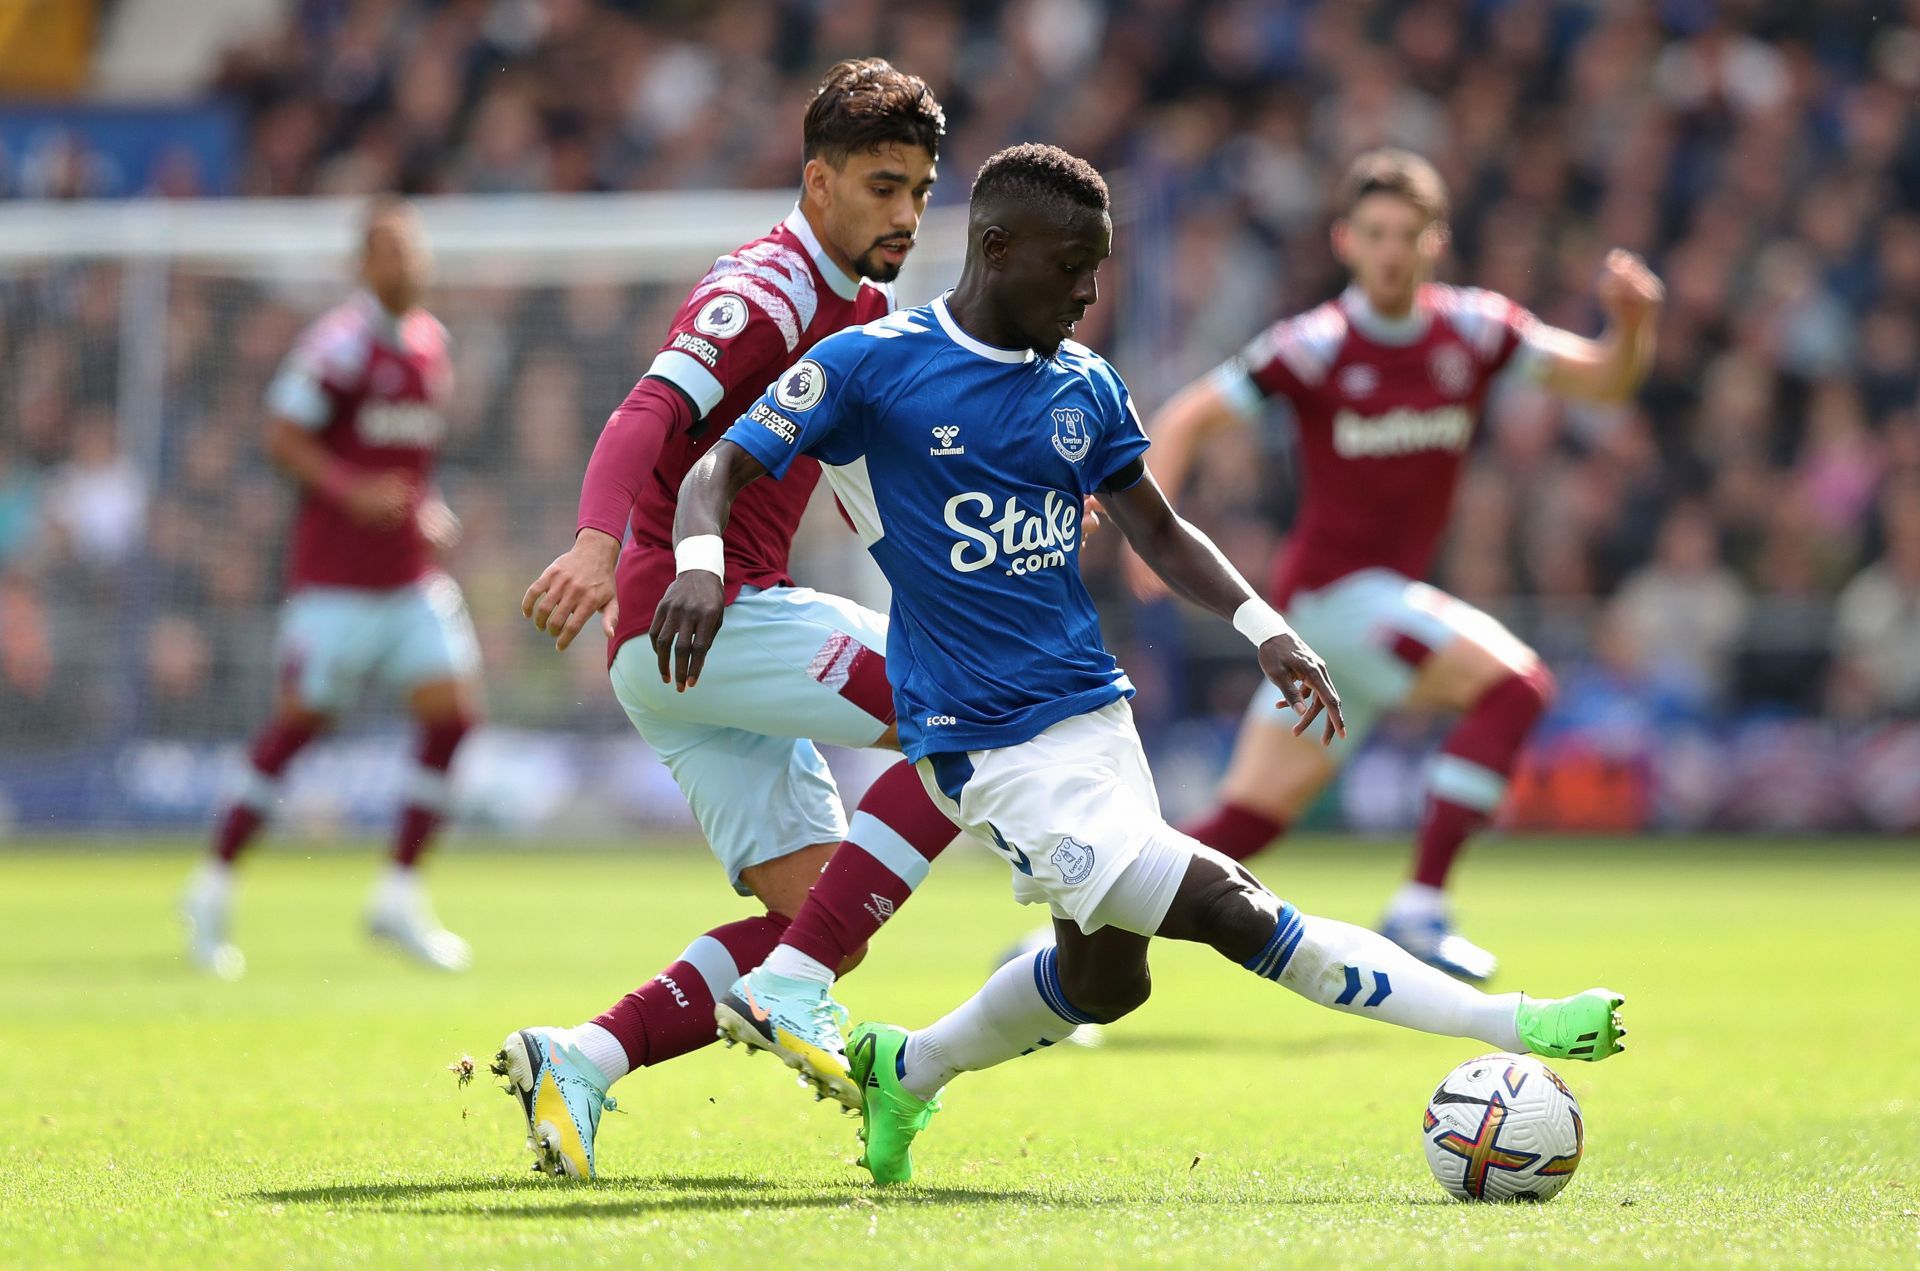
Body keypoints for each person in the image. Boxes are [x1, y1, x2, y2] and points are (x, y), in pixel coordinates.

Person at [653, 143, 1628, 1186]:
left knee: (1108, 981)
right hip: (986, 739)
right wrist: (702, 565)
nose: (1087, 290)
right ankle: (1511, 1019)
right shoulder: (873, 365)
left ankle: (908, 1066)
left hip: (1091, 713)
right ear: (994, 247)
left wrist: (1264, 624)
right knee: (1237, 909)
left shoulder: (1084, 385)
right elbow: (719, 466)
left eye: (1100, 267)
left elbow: (1159, 529)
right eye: (1071, 264)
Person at [496, 59, 960, 1180]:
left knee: (815, 926)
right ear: (818, 182)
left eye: (921, 190)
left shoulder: (860, 303)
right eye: (884, 187)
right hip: (698, 612)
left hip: (695, 658)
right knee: (970, 706)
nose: (906, 214)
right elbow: (644, 411)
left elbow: (866, 472)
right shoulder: (764, 290)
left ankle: (583, 1058)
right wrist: (599, 541)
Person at [1130, 149, 1664, 980]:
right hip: (1331, 601)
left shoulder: (1475, 330)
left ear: (1433, 243)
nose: (1388, 251)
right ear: (1345, 240)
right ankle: (1422, 906)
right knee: (1515, 686)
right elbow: (1194, 412)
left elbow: (1601, 382)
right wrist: (1150, 527)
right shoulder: (1315, 346)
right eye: (1373, 233)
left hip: (1370, 620)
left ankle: (1077, 927)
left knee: (1244, 823)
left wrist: (1630, 326)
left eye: (1405, 235)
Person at [179, 196, 478, 980]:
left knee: (454, 716)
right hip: (335, 582)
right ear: (363, 265)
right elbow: (281, 434)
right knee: (301, 725)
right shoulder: (339, 345)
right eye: (388, 251)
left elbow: (414, 461)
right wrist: (350, 489)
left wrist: (429, 508)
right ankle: (211, 884)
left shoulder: (431, 345)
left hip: (410, 576)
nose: (405, 264)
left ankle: (399, 893)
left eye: (413, 251)